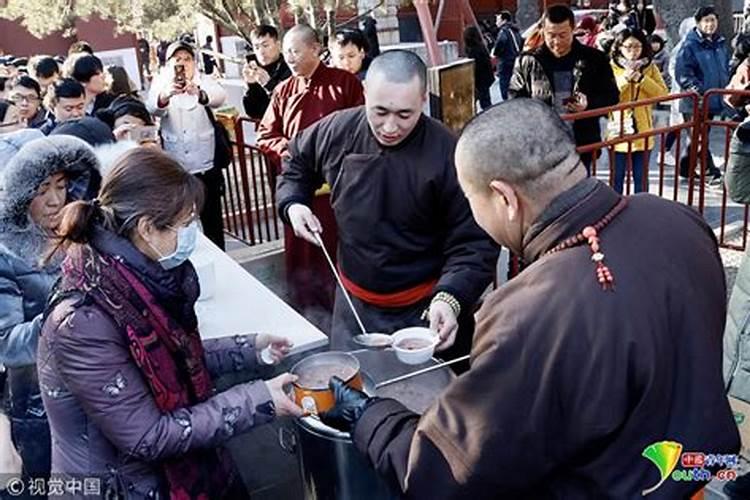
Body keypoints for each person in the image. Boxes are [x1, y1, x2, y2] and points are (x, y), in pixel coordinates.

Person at [319, 98, 740, 498]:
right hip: (689, 471)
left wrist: (369, 417)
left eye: (473, 202)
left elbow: (448, 471)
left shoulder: (531, 312)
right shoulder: (677, 219)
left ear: (504, 198)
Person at [38, 148, 302, 499]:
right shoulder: (81, 321)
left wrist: (249, 349)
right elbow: (148, 436)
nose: (192, 231)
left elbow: (168, 355)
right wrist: (258, 399)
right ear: (147, 228)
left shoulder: (136, 277)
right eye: (186, 223)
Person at [276, 50, 497, 357]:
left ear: (423, 100)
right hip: (353, 303)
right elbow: (297, 163)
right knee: (355, 390)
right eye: (379, 111)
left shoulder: (450, 154)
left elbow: (475, 241)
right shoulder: (337, 130)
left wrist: (450, 297)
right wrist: (293, 204)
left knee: (438, 396)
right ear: (365, 93)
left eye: (404, 115)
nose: (390, 127)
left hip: (427, 308)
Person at [0, 134, 100, 498]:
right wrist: (70, 315)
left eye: (61, 185)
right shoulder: (5, 254)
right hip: (40, 406)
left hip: (99, 388)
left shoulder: (80, 229)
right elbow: (6, 345)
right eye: (42, 189)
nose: (56, 199)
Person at [257, 24, 364, 325]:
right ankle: (307, 317)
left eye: (295, 50)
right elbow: (265, 135)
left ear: (316, 49)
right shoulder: (283, 91)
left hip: (338, 193)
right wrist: (290, 152)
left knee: (340, 256)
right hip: (300, 194)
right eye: (286, 51)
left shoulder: (344, 83)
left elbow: (361, 129)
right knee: (303, 257)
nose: (289, 58)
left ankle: (346, 317)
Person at [510, 4, 619, 173]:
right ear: (542, 31)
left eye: (563, 35)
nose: (557, 41)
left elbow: (612, 96)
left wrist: (588, 105)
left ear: (573, 29)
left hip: (582, 142)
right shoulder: (528, 61)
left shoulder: (594, 59)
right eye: (551, 35)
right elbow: (514, 100)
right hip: (542, 145)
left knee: (580, 194)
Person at [146, 40, 228, 250]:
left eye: (187, 59)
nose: (183, 64)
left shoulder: (203, 80)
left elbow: (219, 97)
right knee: (181, 220)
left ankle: (219, 255)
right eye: (178, 59)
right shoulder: (161, 82)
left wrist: (198, 92)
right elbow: (153, 107)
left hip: (206, 164)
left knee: (212, 219)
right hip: (177, 166)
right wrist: (166, 94)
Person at [607, 28, 668, 194]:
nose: (633, 52)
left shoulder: (650, 68)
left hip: (643, 130)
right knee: (616, 177)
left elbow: (662, 94)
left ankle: (641, 210)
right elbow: (608, 95)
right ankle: (615, 211)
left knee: (641, 178)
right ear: (619, 47)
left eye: (637, 47)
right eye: (628, 47)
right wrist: (626, 79)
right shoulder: (611, 67)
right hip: (618, 131)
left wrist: (641, 79)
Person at [675, 6, 730, 185]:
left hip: (713, 98)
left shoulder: (719, 43)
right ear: (698, 23)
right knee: (699, 138)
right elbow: (683, 73)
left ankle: (685, 169)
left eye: (713, 20)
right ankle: (710, 172)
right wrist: (699, 91)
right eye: (706, 20)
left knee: (698, 137)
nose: (710, 24)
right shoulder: (689, 45)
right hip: (695, 101)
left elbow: (723, 68)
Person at [242, 25, 291, 121]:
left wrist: (269, 85)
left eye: (265, 45)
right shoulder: (255, 69)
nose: (261, 51)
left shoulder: (290, 66)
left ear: (278, 45)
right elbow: (253, 113)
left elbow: (290, 107)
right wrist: (251, 86)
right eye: (256, 47)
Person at [492, 10, 523, 101]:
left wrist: (496, 52)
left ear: (504, 20)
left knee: (505, 86)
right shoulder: (515, 31)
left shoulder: (504, 31)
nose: (496, 22)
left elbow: (501, 42)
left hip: (505, 62)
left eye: (498, 19)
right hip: (516, 60)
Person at [463, 26, 494, 111]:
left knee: (480, 102)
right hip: (484, 79)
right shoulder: (481, 47)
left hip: (478, 80)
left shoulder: (472, 51)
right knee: (485, 101)